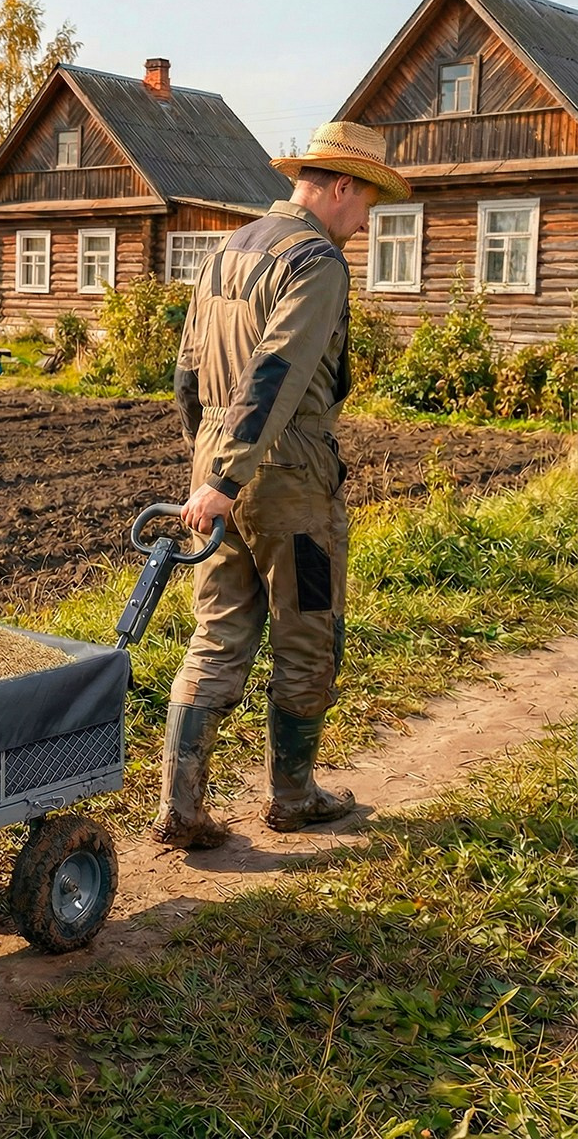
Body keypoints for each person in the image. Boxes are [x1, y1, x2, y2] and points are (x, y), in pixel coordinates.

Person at [153, 121, 412, 850]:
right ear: (340, 187)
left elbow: (187, 369)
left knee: (220, 630)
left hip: (218, 473)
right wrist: (235, 473)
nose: (365, 223)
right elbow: (279, 369)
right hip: (288, 478)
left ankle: (182, 807)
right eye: (367, 205)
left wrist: (208, 470)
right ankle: (293, 796)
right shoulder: (317, 261)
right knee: (309, 629)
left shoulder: (232, 247)